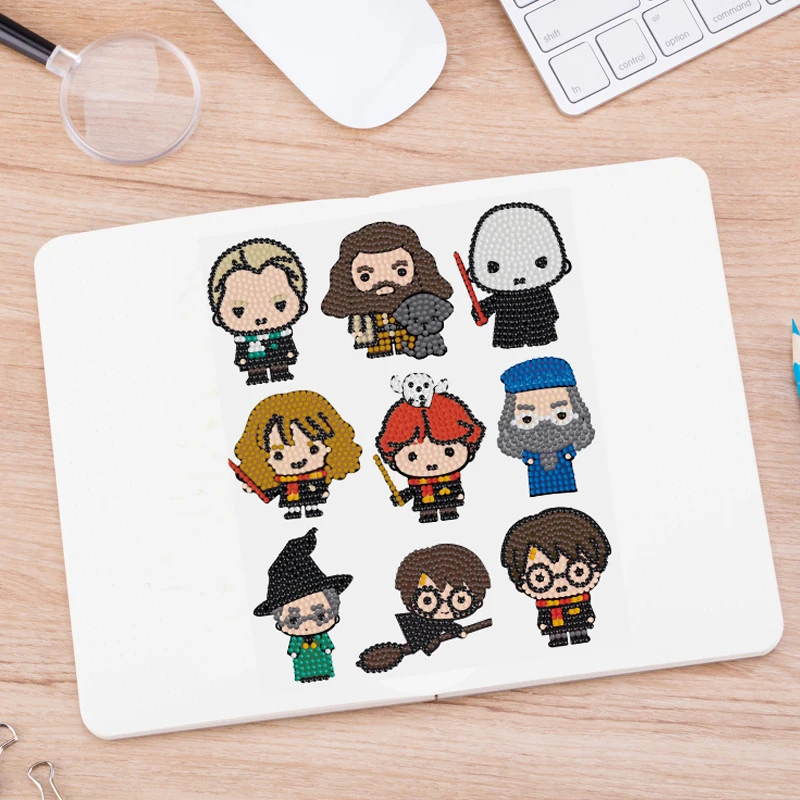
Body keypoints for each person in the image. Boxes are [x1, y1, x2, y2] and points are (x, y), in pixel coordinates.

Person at [321, 222, 453, 359]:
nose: (384, 284)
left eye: (401, 272)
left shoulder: (421, 306)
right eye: (365, 277)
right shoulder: (363, 315)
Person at [356, 544, 492, 673]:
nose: (444, 609)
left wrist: (455, 630)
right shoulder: (420, 626)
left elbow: (444, 624)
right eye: (428, 600)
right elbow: (444, 625)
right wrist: (456, 630)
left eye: (460, 599)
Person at [230, 390, 362, 520]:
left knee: (312, 504)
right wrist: (256, 485)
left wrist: (322, 492)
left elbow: (320, 486)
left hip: (314, 500)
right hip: (290, 501)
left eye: (313, 449)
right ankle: (295, 511)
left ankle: (311, 509)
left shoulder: (318, 476)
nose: (298, 460)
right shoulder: (282, 480)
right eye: (278, 455)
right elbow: (273, 490)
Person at [376, 375, 485, 523]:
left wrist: (459, 495)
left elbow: (455, 487)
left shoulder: (451, 478)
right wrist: (402, 496)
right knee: (428, 510)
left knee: (449, 506)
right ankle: (429, 514)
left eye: (449, 452)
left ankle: (448, 510)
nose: (431, 463)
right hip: (424, 502)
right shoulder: (417, 481)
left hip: (450, 498)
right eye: (412, 456)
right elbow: (413, 491)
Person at [500, 508, 611, 648]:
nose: (560, 584)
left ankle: (579, 635)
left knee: (578, 629)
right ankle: (557, 638)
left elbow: (585, 607)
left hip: (577, 617)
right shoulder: (545, 604)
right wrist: (544, 623)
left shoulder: (580, 598)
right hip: (554, 620)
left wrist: (589, 616)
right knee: (557, 633)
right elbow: (544, 614)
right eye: (540, 578)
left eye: (578, 571)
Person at [467, 203, 571, 348]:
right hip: (511, 334)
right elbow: (486, 307)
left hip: (535, 331)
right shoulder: (510, 296)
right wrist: (480, 313)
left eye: (540, 262)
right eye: (495, 267)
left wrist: (480, 313)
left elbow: (550, 311)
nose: (519, 277)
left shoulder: (537, 295)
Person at [254, 529, 352, 682]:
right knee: (303, 667)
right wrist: (293, 652)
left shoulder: (321, 635)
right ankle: (304, 676)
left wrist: (327, 648)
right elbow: (293, 646)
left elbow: (326, 643)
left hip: (320, 658)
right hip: (304, 661)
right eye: (293, 620)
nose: (307, 624)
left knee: (322, 664)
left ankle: (324, 673)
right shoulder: (298, 639)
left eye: (320, 616)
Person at [209, 238, 308, 384]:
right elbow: (242, 348)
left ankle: (279, 372)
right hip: (253, 358)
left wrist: (289, 353)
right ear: (219, 315)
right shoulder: (244, 339)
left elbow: (286, 342)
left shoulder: (282, 333)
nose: (260, 317)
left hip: (279, 355)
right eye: (239, 310)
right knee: (256, 372)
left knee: (280, 369)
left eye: (279, 304)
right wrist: (242, 359)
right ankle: (258, 375)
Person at [497, 357, 595, 497]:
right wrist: (528, 459)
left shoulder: (566, 441)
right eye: (527, 418)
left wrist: (569, 453)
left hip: (563, 472)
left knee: (564, 479)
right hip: (538, 475)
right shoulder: (530, 447)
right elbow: (527, 455)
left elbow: (570, 451)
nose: (544, 423)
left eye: (561, 414)